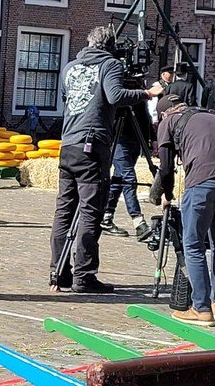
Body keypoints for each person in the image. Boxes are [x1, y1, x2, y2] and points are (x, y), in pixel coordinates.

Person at [49, 26, 164, 294]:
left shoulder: (70, 66)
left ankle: (59, 272)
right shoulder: (110, 64)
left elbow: (68, 99)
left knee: (64, 209)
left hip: (69, 143)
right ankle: (84, 276)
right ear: (110, 47)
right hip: (93, 143)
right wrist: (147, 94)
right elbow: (115, 96)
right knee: (91, 210)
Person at [152, 93, 215, 326]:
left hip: (203, 181)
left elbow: (165, 168)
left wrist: (166, 194)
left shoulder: (168, 122)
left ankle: (201, 309)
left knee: (193, 244)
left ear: (164, 113)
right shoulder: (211, 116)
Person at [101, 102, 152, 239]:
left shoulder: (139, 93)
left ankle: (106, 217)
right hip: (119, 140)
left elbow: (144, 115)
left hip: (136, 139)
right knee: (129, 178)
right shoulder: (118, 91)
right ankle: (138, 222)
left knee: (119, 179)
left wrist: (151, 138)